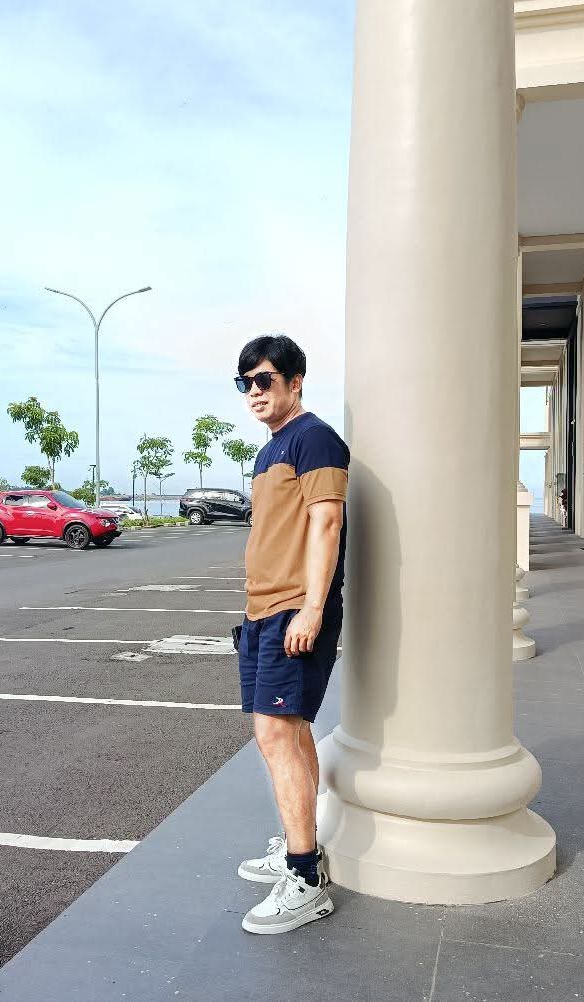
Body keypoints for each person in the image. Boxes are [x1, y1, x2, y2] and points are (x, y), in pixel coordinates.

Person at [232, 334, 348, 935]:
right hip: (262, 612)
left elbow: (326, 524)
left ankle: (306, 878)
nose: (254, 392)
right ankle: (299, 845)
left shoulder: (314, 439)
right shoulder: (271, 449)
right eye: (245, 382)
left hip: (292, 611)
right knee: (287, 730)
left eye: (264, 380)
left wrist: (312, 609)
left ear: (295, 382)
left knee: (277, 732)